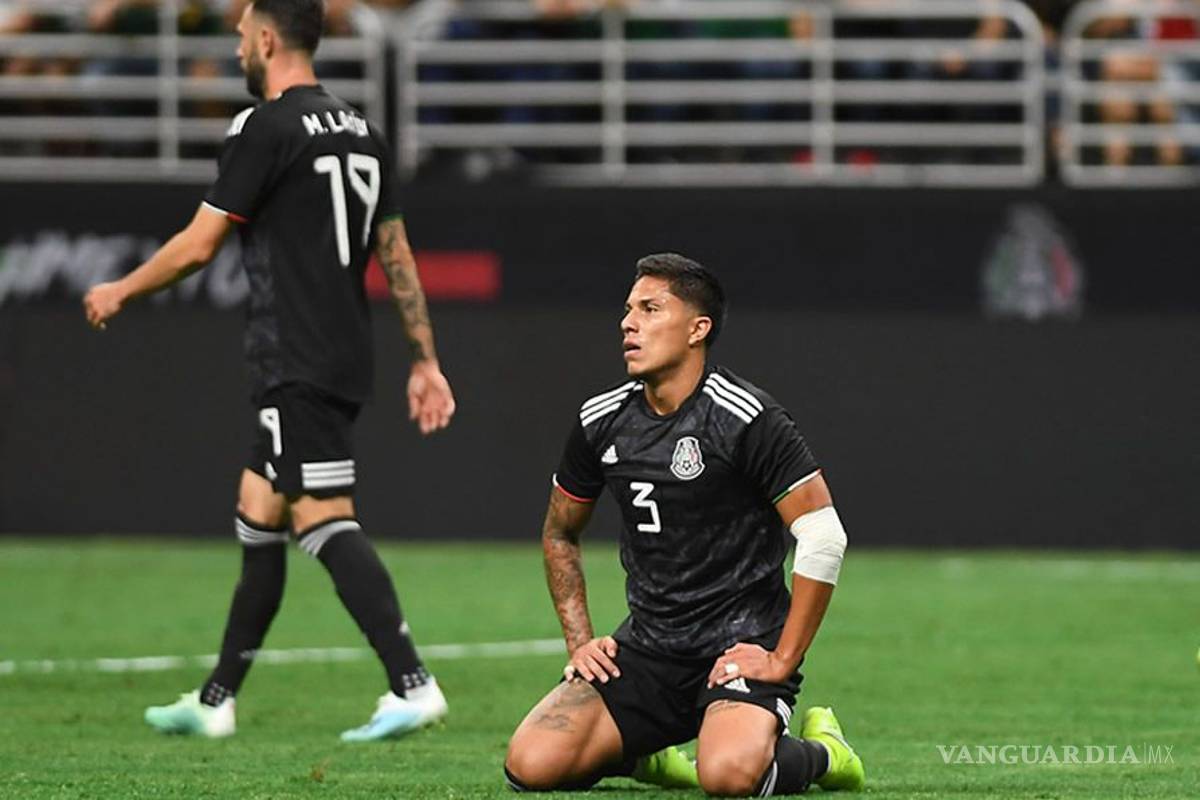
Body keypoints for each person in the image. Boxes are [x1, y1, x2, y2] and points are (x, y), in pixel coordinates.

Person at [83, 0, 456, 743]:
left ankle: (413, 683)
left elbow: (198, 246)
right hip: (344, 352)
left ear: (264, 38)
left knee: (322, 517)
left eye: (239, 33)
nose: (234, 45)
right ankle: (217, 699)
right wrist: (426, 359)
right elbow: (397, 257)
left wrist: (121, 288)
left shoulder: (265, 128)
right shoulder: (364, 132)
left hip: (296, 355)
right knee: (260, 512)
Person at [504, 253, 865, 796]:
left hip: (739, 645)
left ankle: (823, 754)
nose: (629, 323)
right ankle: (646, 753)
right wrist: (580, 643)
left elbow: (822, 533)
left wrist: (782, 657)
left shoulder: (745, 417)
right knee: (529, 766)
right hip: (648, 648)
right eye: (628, 310)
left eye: (651, 309)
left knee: (726, 778)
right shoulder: (600, 421)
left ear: (699, 329)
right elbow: (560, 531)